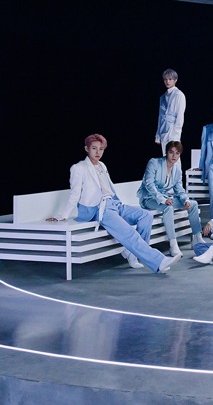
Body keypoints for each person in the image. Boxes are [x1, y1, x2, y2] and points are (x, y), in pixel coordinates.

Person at [48, 133, 179, 274]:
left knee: (146, 216)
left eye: (101, 149)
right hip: (99, 209)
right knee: (129, 232)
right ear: (86, 149)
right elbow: (74, 194)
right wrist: (63, 215)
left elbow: (108, 188)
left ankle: (132, 254)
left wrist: (117, 202)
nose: (98, 152)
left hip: (114, 204)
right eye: (94, 148)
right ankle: (159, 262)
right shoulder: (79, 168)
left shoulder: (102, 166)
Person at [137, 141, 203, 258]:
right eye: (171, 152)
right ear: (166, 152)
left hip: (167, 198)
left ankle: (197, 238)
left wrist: (185, 200)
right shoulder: (154, 163)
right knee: (168, 208)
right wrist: (162, 200)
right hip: (149, 198)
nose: (174, 156)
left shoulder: (177, 170)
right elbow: (149, 184)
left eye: (177, 153)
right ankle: (173, 244)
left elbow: (179, 189)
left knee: (193, 204)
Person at [154, 68, 185, 155]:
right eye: (165, 79)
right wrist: (158, 135)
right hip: (163, 130)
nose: (167, 81)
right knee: (165, 156)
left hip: (173, 130)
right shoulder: (162, 97)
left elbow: (180, 115)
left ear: (175, 80)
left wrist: (176, 132)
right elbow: (160, 117)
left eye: (170, 79)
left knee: (174, 156)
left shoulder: (179, 95)